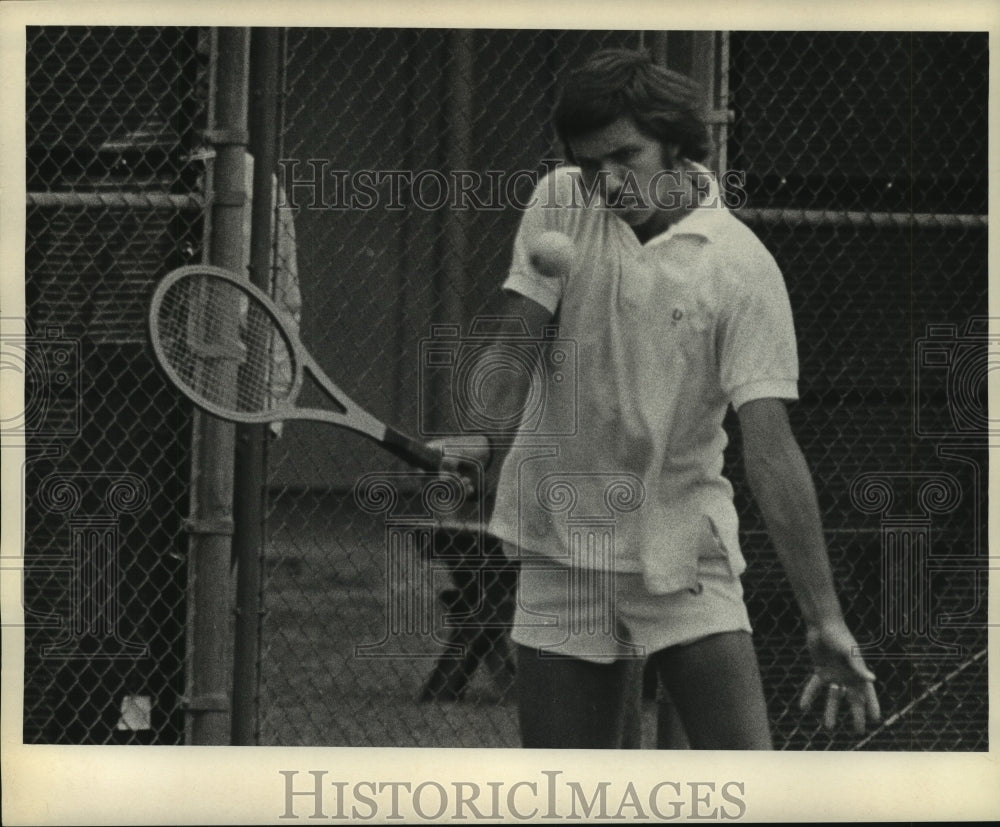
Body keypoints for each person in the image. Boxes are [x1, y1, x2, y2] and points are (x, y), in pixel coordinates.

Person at [442, 47, 880, 749]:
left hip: (681, 549)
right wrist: (481, 436)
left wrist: (824, 616)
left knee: (742, 787)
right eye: (590, 164)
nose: (607, 182)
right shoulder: (562, 201)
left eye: (626, 156)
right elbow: (515, 341)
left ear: (676, 142)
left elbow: (771, 451)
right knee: (568, 799)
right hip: (564, 542)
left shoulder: (739, 267)